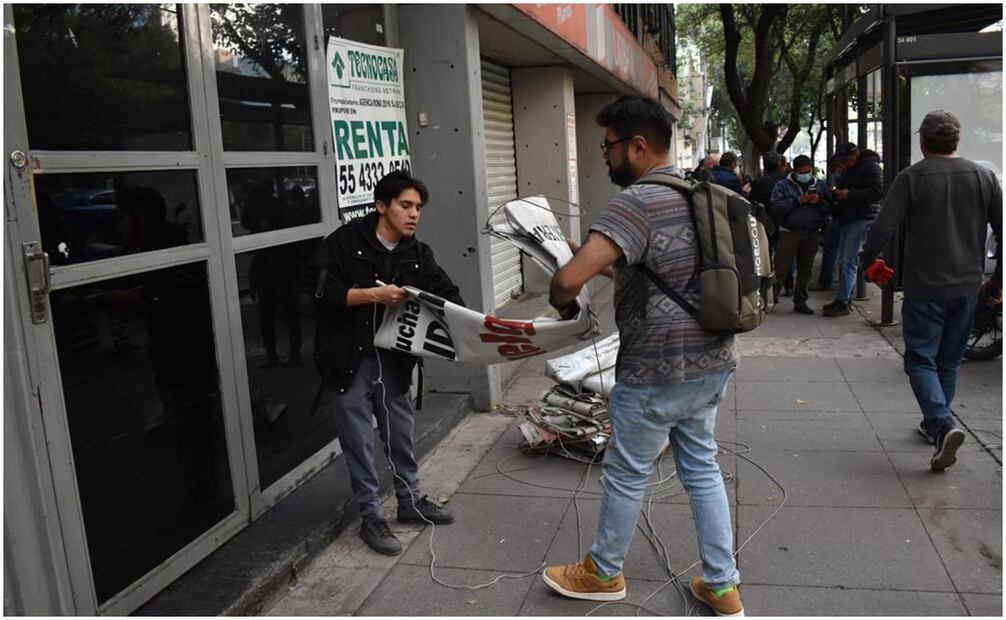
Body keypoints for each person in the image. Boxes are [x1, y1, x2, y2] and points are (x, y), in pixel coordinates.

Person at [542, 96, 743, 617]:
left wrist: (561, 298)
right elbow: (652, 270)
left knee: (628, 472)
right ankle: (723, 585)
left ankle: (603, 573)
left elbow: (567, 282)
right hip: (713, 361)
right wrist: (581, 249)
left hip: (655, 368)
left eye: (608, 146)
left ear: (636, 145)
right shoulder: (700, 192)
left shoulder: (635, 202)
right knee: (701, 467)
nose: (604, 157)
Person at [310, 170, 464, 555]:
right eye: (406, 206)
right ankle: (371, 517)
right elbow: (320, 293)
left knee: (400, 432)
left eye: (418, 208)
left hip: (393, 360)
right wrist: (372, 295)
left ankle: (410, 501)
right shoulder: (344, 243)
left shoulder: (417, 252)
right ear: (382, 206)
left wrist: (477, 325)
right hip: (348, 358)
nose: (414, 215)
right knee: (358, 440)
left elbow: (448, 294)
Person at [859, 110, 1002, 472]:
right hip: (968, 286)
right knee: (949, 361)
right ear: (956, 140)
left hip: (925, 286)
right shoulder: (984, 177)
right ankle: (935, 424)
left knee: (920, 359)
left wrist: (868, 259)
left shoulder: (913, 178)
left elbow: (882, 228)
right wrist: (997, 283)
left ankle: (941, 425)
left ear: (923, 142)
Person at [823, 142, 883, 316]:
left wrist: (848, 194)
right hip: (849, 218)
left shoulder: (870, 167)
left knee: (849, 261)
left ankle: (843, 301)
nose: (842, 164)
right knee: (846, 260)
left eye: (845, 160)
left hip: (861, 218)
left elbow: (877, 191)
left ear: (855, 155)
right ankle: (843, 298)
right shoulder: (852, 169)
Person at [769, 154, 832, 314]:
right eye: (802, 172)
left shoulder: (820, 185)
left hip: (811, 232)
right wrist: (798, 200)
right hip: (789, 232)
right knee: (780, 268)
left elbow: (829, 207)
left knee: (805, 269)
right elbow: (776, 207)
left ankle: (800, 301)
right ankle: (770, 299)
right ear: (795, 171)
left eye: (808, 171)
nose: (806, 174)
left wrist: (819, 202)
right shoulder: (782, 185)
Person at [752, 151, 792, 295]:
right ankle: (789, 284)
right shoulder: (787, 181)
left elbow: (753, 202)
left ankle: (766, 285)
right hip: (785, 222)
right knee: (786, 255)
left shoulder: (759, 183)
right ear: (781, 165)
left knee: (765, 255)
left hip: (765, 223)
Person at [811, 156, 844, 291]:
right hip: (843, 217)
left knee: (832, 249)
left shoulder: (847, 177)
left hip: (843, 217)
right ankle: (826, 279)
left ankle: (826, 280)